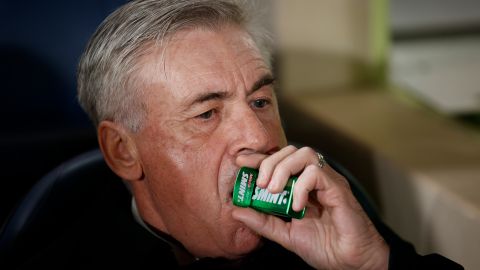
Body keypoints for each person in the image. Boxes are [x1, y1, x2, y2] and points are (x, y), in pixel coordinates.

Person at [5, 0, 463, 269]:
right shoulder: (56, 247)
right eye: (206, 114)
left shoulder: (327, 201)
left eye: (261, 102)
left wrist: (373, 266)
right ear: (124, 151)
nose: (260, 138)